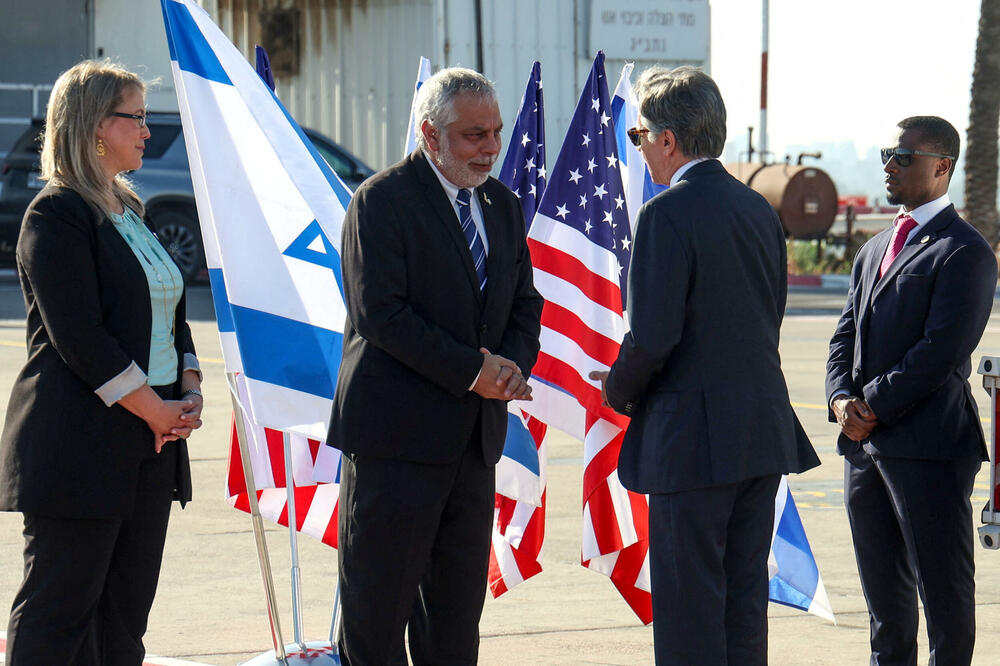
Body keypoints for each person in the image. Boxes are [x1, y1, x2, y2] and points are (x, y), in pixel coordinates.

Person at [589, 66, 820, 665]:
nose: (639, 151)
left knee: (690, 612)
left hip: (692, 443)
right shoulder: (758, 210)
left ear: (668, 141)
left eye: (640, 138)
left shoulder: (667, 214)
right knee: (741, 606)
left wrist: (616, 386)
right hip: (759, 433)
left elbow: (655, 335)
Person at [328, 67, 543, 665]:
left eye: (495, 132)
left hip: (471, 447)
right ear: (430, 133)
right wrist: (474, 371)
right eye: (475, 135)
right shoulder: (381, 201)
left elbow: (525, 303)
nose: (491, 149)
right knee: (377, 620)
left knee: (453, 627)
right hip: (394, 446)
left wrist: (511, 367)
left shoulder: (502, 206)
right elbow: (381, 314)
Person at [0, 60, 204, 665]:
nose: (148, 131)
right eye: (135, 117)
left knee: (123, 621)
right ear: (92, 127)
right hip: (80, 448)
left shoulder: (132, 211)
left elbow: (168, 312)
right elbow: (80, 337)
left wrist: (188, 385)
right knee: (58, 616)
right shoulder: (57, 214)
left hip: (149, 444)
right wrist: (156, 410)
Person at [826, 116, 997, 666]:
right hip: (866, 450)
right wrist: (839, 399)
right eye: (886, 153)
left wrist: (869, 404)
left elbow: (940, 352)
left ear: (942, 167)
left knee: (943, 601)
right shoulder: (874, 248)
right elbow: (845, 333)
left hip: (929, 449)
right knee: (886, 608)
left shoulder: (964, 251)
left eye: (903, 156)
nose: (889, 165)